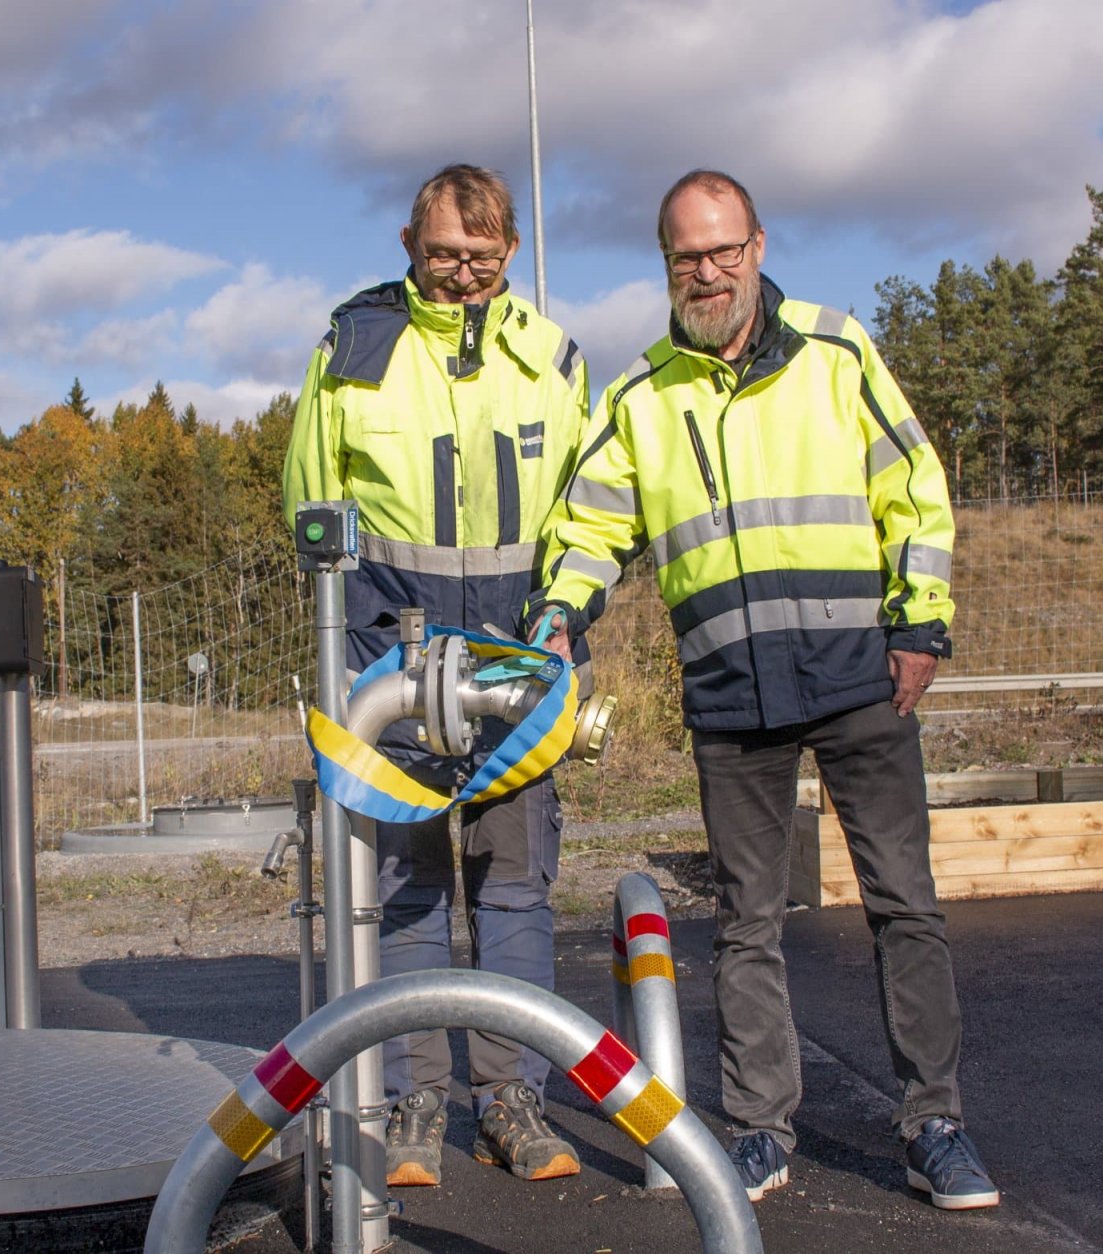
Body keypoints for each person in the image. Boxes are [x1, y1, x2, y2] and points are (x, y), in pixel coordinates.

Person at [530, 170, 999, 1210]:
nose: (708, 272)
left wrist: (919, 625)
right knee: (745, 920)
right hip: (731, 694)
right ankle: (757, 1130)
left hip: (857, 680)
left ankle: (934, 1124)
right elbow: (590, 531)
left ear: (755, 245)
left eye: (723, 250)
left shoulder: (837, 352)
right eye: (685, 257)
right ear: (665, 267)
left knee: (902, 906)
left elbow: (912, 490)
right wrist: (561, 615)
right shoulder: (639, 398)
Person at [282, 164, 592, 1187]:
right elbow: (311, 512)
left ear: (510, 250)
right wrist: (364, 659)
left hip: (517, 672)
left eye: (483, 255)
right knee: (409, 890)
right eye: (443, 253)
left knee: (511, 891)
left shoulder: (552, 359)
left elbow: (583, 516)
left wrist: (554, 627)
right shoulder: (354, 351)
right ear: (407, 245)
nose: (463, 273)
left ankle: (511, 1104)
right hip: (395, 670)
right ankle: (415, 1103)